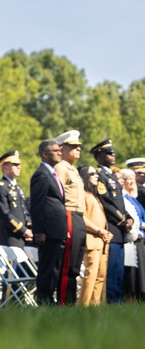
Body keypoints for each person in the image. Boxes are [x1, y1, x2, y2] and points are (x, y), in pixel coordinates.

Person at [90, 139, 131, 303]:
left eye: (112, 152)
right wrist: (122, 221)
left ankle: (118, 300)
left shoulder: (111, 175)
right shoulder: (99, 175)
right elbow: (106, 201)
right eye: (108, 152)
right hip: (112, 227)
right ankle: (112, 300)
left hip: (120, 229)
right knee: (112, 270)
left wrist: (129, 218)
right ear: (99, 156)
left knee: (118, 270)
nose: (113, 154)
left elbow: (120, 202)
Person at [30, 139, 67, 305]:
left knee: (55, 268)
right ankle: (44, 300)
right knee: (47, 268)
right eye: (55, 150)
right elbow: (37, 205)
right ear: (45, 154)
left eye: (60, 150)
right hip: (48, 231)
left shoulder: (52, 174)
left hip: (57, 229)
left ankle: (49, 299)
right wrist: (39, 231)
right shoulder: (41, 175)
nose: (60, 152)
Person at [52, 130, 86, 305]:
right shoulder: (61, 168)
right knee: (67, 264)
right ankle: (65, 302)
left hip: (79, 216)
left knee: (75, 265)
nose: (78, 149)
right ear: (62, 149)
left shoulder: (73, 169)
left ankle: (71, 302)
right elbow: (58, 196)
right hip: (69, 215)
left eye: (79, 146)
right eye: (73, 146)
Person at [78, 165, 110, 306]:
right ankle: (83, 306)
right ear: (84, 177)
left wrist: (105, 232)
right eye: (92, 174)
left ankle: (94, 305)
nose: (96, 176)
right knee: (91, 274)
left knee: (100, 275)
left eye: (96, 173)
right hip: (92, 239)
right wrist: (99, 230)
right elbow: (82, 217)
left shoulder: (93, 195)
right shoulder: (82, 195)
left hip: (102, 240)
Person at [0, 151, 33, 248]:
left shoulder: (17, 187)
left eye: (19, 164)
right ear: (5, 167)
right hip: (10, 237)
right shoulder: (1, 187)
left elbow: (24, 210)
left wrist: (30, 227)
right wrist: (22, 230)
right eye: (15, 164)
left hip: (23, 237)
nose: (19, 167)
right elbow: (4, 214)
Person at [119, 169, 145, 300]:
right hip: (132, 238)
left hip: (140, 237)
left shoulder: (133, 198)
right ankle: (130, 298)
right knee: (132, 274)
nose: (132, 181)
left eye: (133, 178)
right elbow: (134, 220)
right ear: (122, 181)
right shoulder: (124, 198)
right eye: (129, 178)